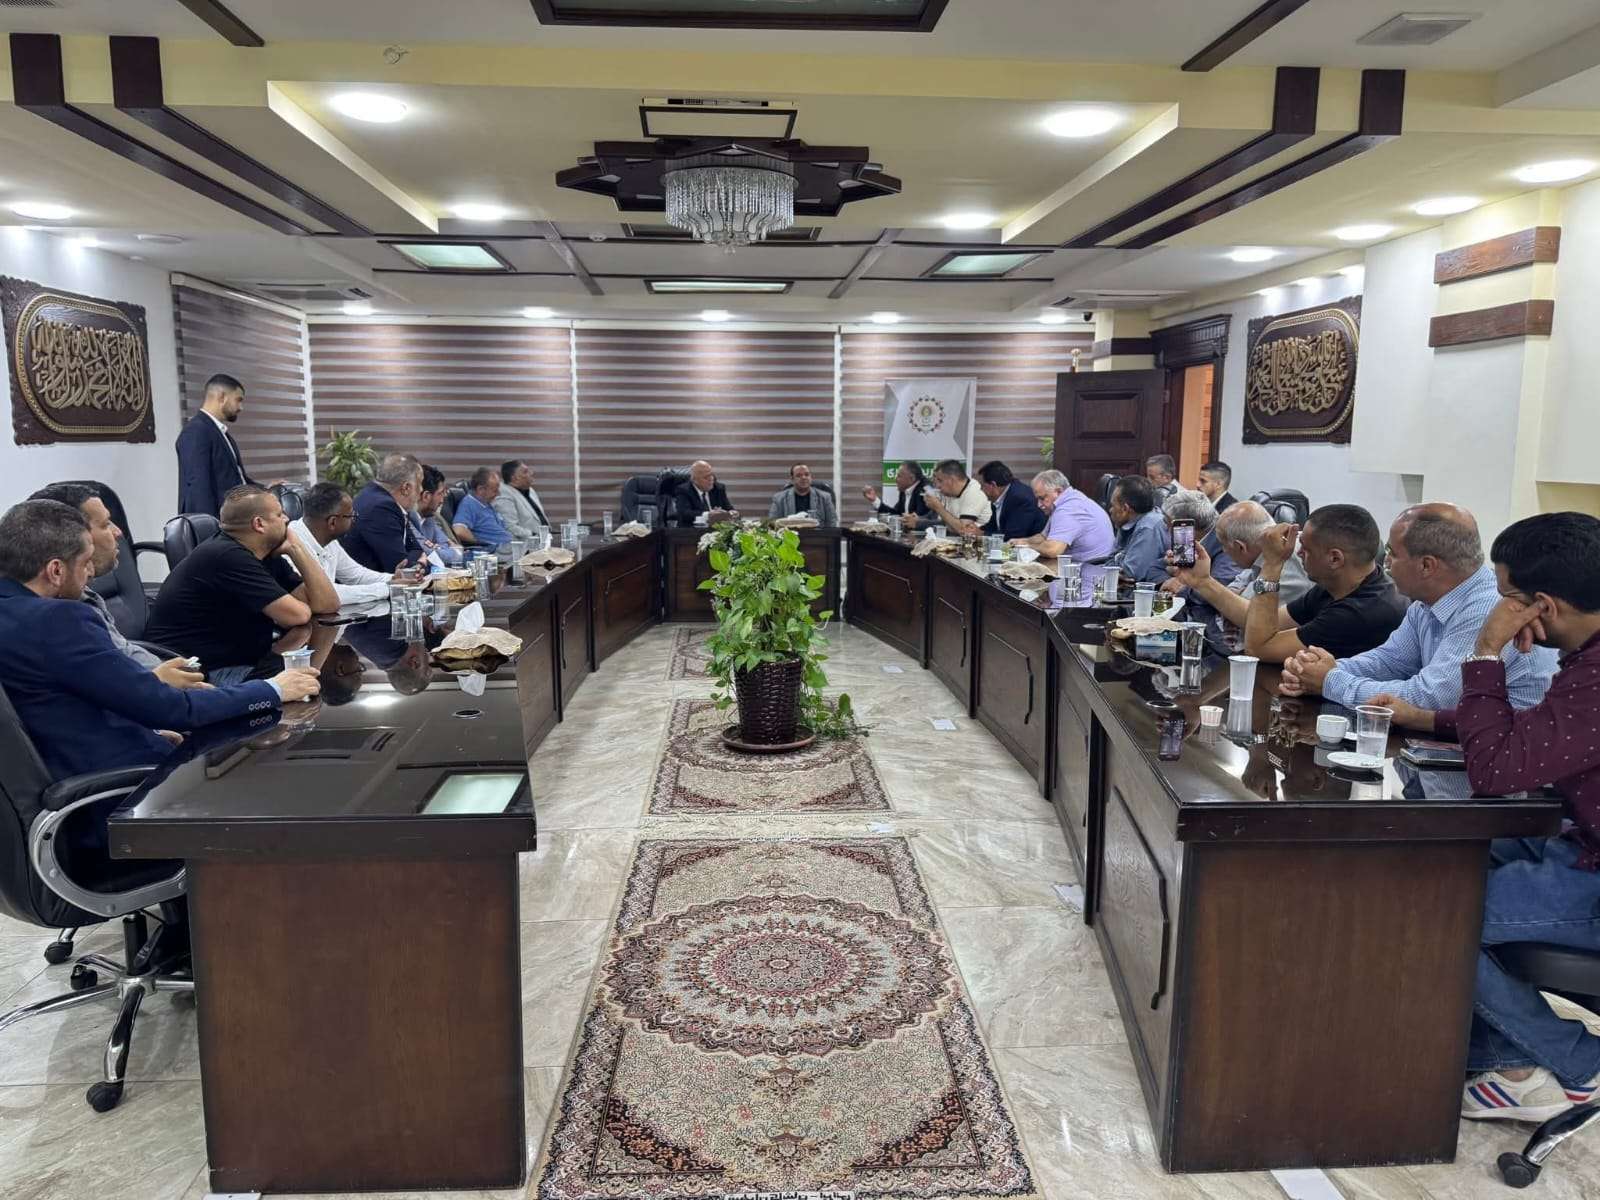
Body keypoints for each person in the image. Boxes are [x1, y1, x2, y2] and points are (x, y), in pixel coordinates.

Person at [1376, 514, 1600, 1122]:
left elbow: (1497, 771)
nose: (1497, 609)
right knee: (1415, 865)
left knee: (1437, 912)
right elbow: (1539, 737)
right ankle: (1503, 1055)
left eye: (1506, 598)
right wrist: (1429, 720)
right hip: (1574, 842)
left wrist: (1484, 652)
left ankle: (1576, 1062)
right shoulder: (1586, 658)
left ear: (1543, 606)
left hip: (1591, 871)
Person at [0, 499, 318, 782]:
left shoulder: (13, 616)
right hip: (125, 792)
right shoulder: (59, 620)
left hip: (74, 769)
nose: (90, 574)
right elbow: (175, 709)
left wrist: (148, 728)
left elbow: (57, 702)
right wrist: (273, 689)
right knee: (270, 772)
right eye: (85, 564)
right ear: (55, 571)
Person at [1279, 504, 1556, 723]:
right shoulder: (1426, 602)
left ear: (1426, 566)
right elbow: (1390, 661)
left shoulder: (1485, 608)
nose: (1385, 562)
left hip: (1504, 759)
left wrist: (1330, 681)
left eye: (1392, 553)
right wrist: (1316, 671)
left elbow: (1432, 698)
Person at [146, 485, 340, 680]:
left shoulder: (263, 552)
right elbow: (298, 616)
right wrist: (303, 604)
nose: (287, 519)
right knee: (306, 684)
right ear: (259, 524)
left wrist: (296, 549)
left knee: (307, 678)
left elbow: (327, 604)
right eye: (279, 514)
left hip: (240, 660)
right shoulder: (227, 557)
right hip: (200, 672)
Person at [27, 482, 193, 682]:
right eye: (106, 524)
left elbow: (125, 654)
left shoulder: (85, 595)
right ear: (73, 536)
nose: (118, 532)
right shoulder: (60, 620)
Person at [1237, 505, 1407, 664]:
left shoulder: (1358, 614)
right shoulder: (1339, 586)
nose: (1298, 552)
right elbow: (1272, 623)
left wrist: (1272, 563)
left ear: (1335, 558)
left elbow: (1257, 649)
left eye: (1306, 548)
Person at [1165, 500, 1313, 651]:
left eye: (1224, 546)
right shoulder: (1264, 551)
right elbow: (1237, 589)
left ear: (1240, 547)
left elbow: (1251, 619)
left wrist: (1203, 582)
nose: (1224, 551)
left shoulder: (1288, 558)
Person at [291, 482, 409, 606]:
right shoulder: (292, 544)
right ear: (332, 522)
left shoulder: (328, 539)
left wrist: (393, 579)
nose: (354, 520)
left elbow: (356, 575)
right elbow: (328, 594)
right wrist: (388, 588)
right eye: (351, 515)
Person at [175, 373, 256, 517]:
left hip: (233, 519)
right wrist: (210, 527)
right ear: (222, 397)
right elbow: (198, 488)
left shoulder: (221, 433)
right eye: (238, 400)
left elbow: (237, 479)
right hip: (217, 523)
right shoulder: (196, 431)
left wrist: (267, 489)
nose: (241, 407)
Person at [342, 453, 426, 572]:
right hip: (371, 582)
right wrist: (421, 563)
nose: (421, 489)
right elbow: (400, 567)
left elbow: (417, 549)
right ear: (406, 488)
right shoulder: (381, 508)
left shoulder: (378, 497)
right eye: (420, 483)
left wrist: (416, 559)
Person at [1011, 469, 1116, 562]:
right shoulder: (1067, 501)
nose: (1039, 504)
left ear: (1058, 491)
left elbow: (1052, 550)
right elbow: (1043, 537)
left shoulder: (1068, 509)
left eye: (1042, 498)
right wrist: (1022, 541)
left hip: (1091, 569)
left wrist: (1026, 546)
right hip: (1086, 565)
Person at [1108, 475, 1171, 584]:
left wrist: (1117, 565)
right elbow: (1109, 563)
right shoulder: (1127, 523)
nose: (1110, 510)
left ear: (1125, 509)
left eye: (1113, 505)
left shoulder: (1149, 527)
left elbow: (1130, 575)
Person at [973, 461, 1046, 541]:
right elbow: (992, 527)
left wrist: (982, 533)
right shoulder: (999, 496)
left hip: (1032, 547)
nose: (981, 489)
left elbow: (1013, 536)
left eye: (982, 486)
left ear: (993, 485)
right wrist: (975, 530)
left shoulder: (1020, 498)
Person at [410, 465, 464, 565]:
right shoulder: (407, 520)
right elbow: (429, 554)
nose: (442, 500)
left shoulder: (429, 517)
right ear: (426, 496)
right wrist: (437, 550)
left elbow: (458, 554)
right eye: (440, 493)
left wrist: (436, 550)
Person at [921, 459, 992, 534]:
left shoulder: (974, 493)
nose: (937, 486)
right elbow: (945, 523)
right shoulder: (949, 492)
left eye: (940, 480)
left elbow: (963, 530)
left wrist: (938, 508)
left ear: (951, 480)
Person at [452, 467, 515, 547]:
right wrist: (480, 543)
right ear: (481, 489)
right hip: (494, 551)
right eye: (495, 491)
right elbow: (459, 531)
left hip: (507, 547)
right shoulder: (469, 504)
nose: (498, 494)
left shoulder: (485, 503)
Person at [493, 459, 551, 541]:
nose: (531, 473)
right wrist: (535, 535)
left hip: (544, 541)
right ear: (514, 478)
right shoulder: (504, 494)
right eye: (525, 472)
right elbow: (510, 527)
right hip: (525, 545)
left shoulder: (530, 490)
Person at [862, 461, 931, 523]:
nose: (896, 479)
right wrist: (875, 500)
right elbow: (895, 514)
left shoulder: (925, 490)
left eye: (899, 476)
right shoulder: (904, 490)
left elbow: (920, 519)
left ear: (912, 478)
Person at [769, 463, 838, 524]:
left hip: (817, 534)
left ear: (811, 477)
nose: (804, 477)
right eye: (799, 475)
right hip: (790, 534)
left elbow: (832, 523)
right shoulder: (779, 499)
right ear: (792, 479)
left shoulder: (825, 497)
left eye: (807, 474)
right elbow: (773, 523)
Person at [674, 461, 734, 527]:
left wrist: (732, 513)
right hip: (692, 530)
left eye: (711, 475)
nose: (711, 479)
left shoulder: (718, 488)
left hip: (715, 530)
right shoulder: (683, 490)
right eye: (706, 477)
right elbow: (684, 514)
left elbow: (729, 508)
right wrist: (708, 515)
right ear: (694, 480)